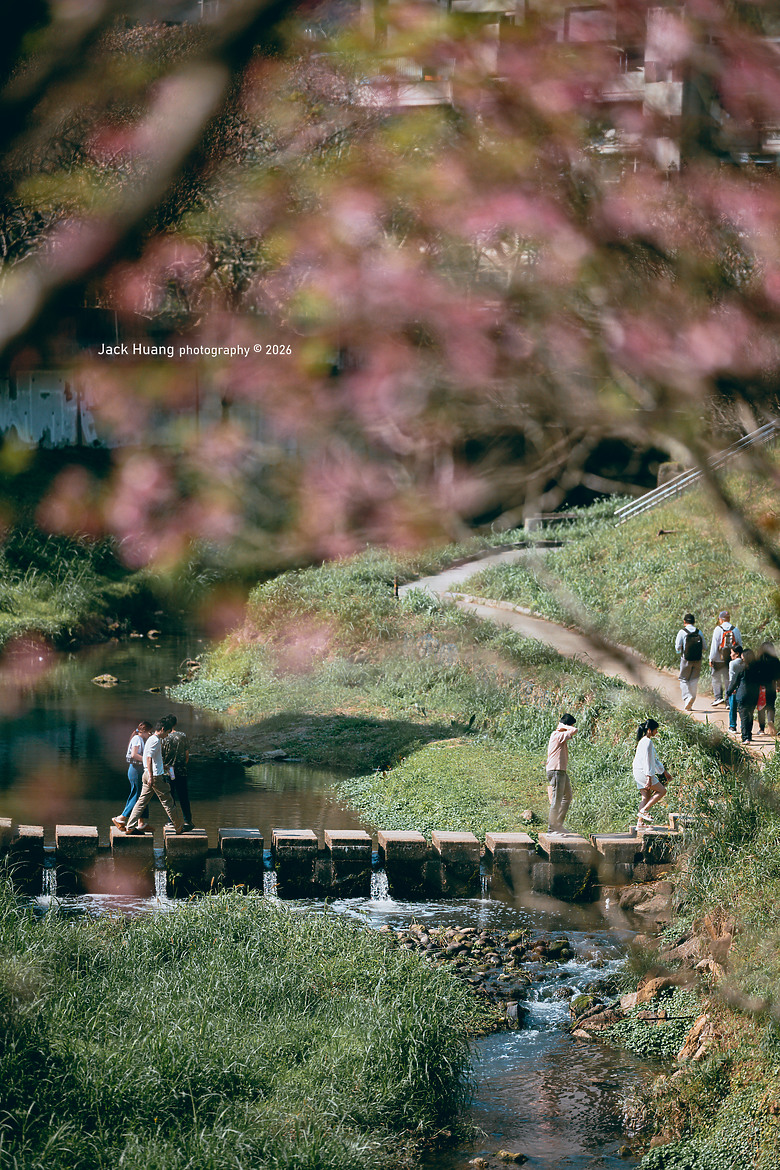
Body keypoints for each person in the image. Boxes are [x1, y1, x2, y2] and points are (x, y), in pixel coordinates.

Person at [124, 717, 184, 835]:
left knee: (141, 802)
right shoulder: (156, 740)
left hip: (147, 774)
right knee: (168, 802)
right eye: (167, 732)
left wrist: (163, 766)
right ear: (162, 729)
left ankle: (130, 826)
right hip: (154, 776)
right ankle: (179, 827)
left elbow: (152, 757)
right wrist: (151, 776)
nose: (167, 735)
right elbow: (149, 757)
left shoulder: (151, 739)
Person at [112, 720, 153, 831]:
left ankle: (141, 823)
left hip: (139, 770)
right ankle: (121, 818)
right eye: (149, 732)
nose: (150, 734)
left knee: (142, 795)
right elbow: (134, 755)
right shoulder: (137, 739)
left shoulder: (140, 739)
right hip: (135, 770)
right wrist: (147, 760)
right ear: (143, 731)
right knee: (137, 795)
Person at [633, 719, 670, 829]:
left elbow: (653, 761)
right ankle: (644, 811)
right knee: (662, 791)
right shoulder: (648, 742)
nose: (657, 732)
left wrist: (664, 772)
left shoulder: (643, 741)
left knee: (646, 797)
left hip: (638, 771)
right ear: (650, 730)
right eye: (656, 730)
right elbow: (648, 761)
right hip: (643, 772)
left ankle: (640, 823)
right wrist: (649, 778)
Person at [545, 713, 577, 833]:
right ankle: (552, 829)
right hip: (556, 771)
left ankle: (557, 825)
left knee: (567, 797)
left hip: (560, 771)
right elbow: (575, 730)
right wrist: (564, 726)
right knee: (557, 800)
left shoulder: (560, 735)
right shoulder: (557, 734)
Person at [162, 713, 194, 831]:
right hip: (180, 770)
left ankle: (171, 821)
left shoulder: (163, 736)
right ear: (176, 723)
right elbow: (186, 755)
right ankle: (187, 820)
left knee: (170, 796)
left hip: (168, 770)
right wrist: (183, 765)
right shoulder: (182, 736)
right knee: (183, 796)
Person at [709, 611, 742, 706]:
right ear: (729, 619)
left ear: (721, 619)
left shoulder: (718, 629)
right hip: (730, 659)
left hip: (719, 659)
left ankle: (718, 697)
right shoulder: (735, 630)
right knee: (728, 679)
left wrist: (711, 658)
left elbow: (714, 645)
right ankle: (728, 701)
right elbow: (739, 644)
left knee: (716, 677)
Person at [727, 648, 759, 743]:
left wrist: (728, 692)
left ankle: (746, 737)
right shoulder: (756, 669)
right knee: (750, 715)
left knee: (744, 716)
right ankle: (748, 735)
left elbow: (734, 682)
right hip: (753, 695)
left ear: (744, 657)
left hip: (743, 695)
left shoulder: (742, 668)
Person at [675, 613, 704, 711]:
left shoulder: (682, 632)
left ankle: (687, 697)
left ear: (684, 622)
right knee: (694, 681)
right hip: (698, 660)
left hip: (686, 659)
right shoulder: (699, 632)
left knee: (683, 679)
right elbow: (705, 647)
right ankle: (690, 703)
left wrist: (681, 651)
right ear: (694, 622)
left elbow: (677, 648)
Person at [727, 644, 744, 733]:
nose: (730, 655)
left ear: (737, 654)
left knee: (733, 708)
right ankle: (743, 726)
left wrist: (730, 688)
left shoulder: (732, 663)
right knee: (742, 709)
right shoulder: (745, 662)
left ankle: (732, 726)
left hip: (734, 688)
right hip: (742, 688)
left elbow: (732, 677)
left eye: (731, 653)